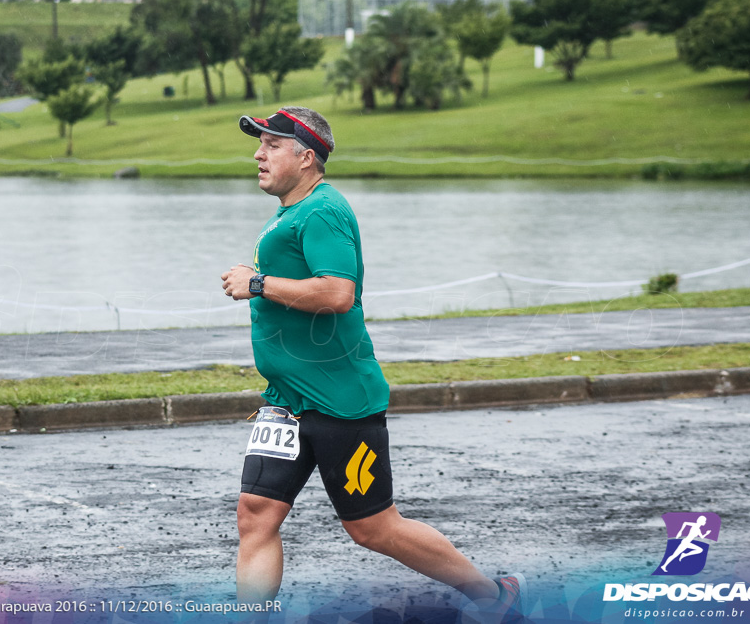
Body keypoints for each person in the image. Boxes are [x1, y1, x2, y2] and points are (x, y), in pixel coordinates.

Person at [220, 107, 526, 618]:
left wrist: (257, 283)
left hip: (339, 401)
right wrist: (263, 276)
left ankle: (495, 594)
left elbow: (338, 293)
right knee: (255, 515)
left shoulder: (322, 211)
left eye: (272, 145)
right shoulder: (292, 213)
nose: (258, 154)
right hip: (285, 402)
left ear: (307, 156)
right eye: (261, 144)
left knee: (373, 528)